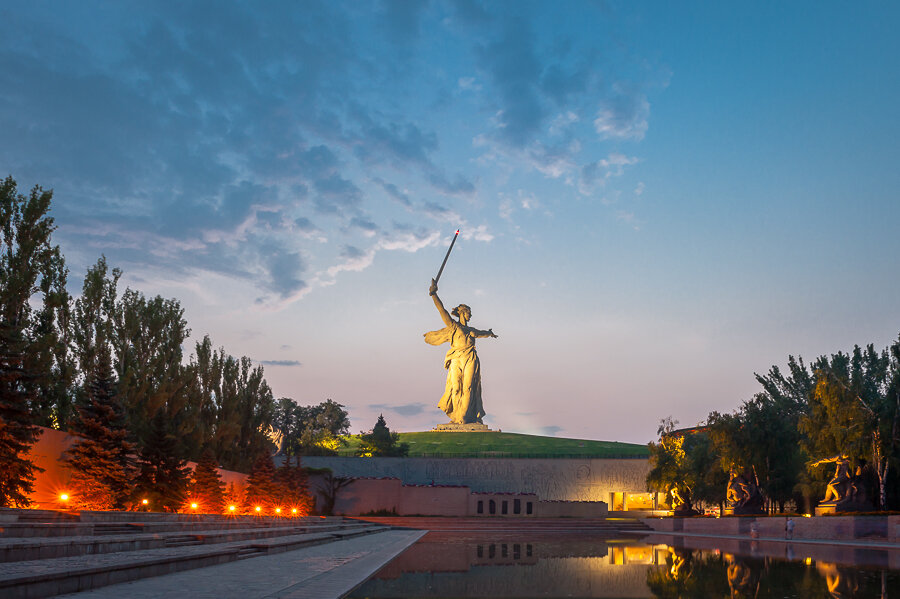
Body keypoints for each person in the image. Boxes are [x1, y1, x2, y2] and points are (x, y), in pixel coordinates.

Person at [424, 279, 498, 424]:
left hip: (470, 359)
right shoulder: (454, 326)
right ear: (462, 313)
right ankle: (456, 416)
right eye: (469, 313)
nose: (470, 315)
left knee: (469, 387)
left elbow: (482, 332)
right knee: (456, 388)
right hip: (456, 359)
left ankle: (465, 417)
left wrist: (489, 333)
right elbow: (442, 310)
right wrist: (434, 294)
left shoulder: (471, 331)